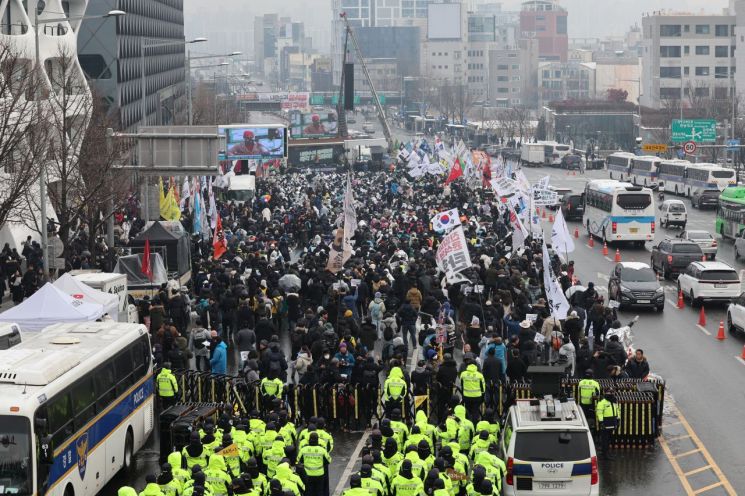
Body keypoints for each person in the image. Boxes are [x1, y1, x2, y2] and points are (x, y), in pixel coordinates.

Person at [596, 390, 621, 459]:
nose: (611, 393)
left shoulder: (614, 401)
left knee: (609, 439)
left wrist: (618, 419)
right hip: (605, 423)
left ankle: (607, 452)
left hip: (612, 422)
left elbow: (617, 410)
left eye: (612, 392)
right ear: (605, 393)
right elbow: (599, 413)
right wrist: (601, 422)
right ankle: (605, 454)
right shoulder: (602, 402)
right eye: (609, 392)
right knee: (605, 439)